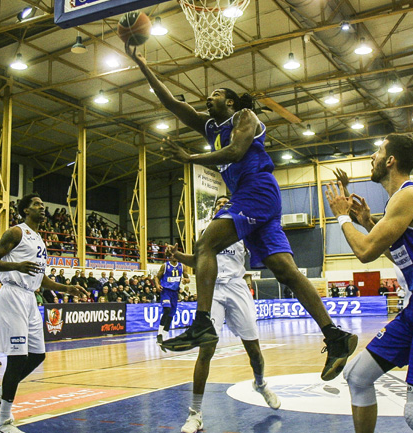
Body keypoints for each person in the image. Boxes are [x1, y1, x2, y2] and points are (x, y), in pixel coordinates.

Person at [126, 42, 356, 380]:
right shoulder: (209, 128)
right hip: (256, 198)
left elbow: (235, 152)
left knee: (206, 245)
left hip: (256, 191)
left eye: (216, 93)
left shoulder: (245, 117)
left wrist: (192, 159)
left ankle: (202, 323)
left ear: (230, 102)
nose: (209, 97)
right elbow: (171, 103)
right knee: (285, 271)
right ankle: (335, 336)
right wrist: (142, 64)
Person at [325, 134, 413, 433]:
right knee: (357, 376)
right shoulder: (399, 201)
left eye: (378, 152)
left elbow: (365, 252)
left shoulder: (409, 194)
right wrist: (367, 222)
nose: (373, 157)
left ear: (390, 160)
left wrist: (342, 218)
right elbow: (399, 254)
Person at [169, 196, 280, 433]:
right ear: (214, 210)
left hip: (237, 287)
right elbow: (198, 260)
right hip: (213, 289)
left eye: (227, 201)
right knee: (205, 348)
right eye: (219, 202)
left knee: (254, 350)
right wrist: (178, 256)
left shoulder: (243, 229)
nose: (223, 204)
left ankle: (260, 384)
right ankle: (195, 414)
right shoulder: (206, 232)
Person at [0, 193, 87, 433]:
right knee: (18, 357)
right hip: (12, 295)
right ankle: (3, 422)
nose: (43, 207)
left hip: (30, 298)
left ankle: (1, 393)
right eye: (37, 204)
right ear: (25, 210)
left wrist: (67, 288)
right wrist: (16, 266)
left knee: (38, 355)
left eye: (43, 204)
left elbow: (41, 278)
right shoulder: (16, 232)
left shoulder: (39, 239)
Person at [154, 250, 189, 346]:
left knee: (170, 315)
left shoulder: (182, 266)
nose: (174, 256)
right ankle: (159, 334)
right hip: (166, 291)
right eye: (172, 255)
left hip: (175, 292)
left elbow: (188, 279)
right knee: (167, 309)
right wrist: (157, 285)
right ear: (169, 256)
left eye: (176, 255)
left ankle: (163, 337)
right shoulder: (165, 266)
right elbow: (157, 277)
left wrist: (186, 280)